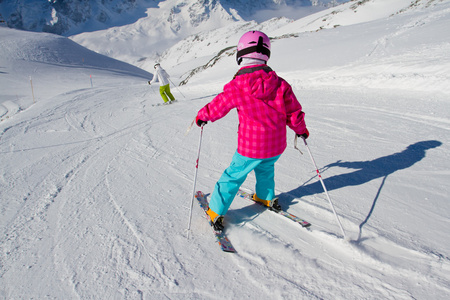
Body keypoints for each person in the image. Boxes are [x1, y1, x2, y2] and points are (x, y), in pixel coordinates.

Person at [195, 31, 309, 231]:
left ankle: (215, 210)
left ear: (241, 55)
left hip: (250, 147)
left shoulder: (237, 85)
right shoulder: (280, 84)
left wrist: (203, 116)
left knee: (233, 176)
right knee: (266, 168)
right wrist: (301, 130)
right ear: (266, 55)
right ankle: (265, 197)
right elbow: (293, 111)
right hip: (276, 145)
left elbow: (218, 106)